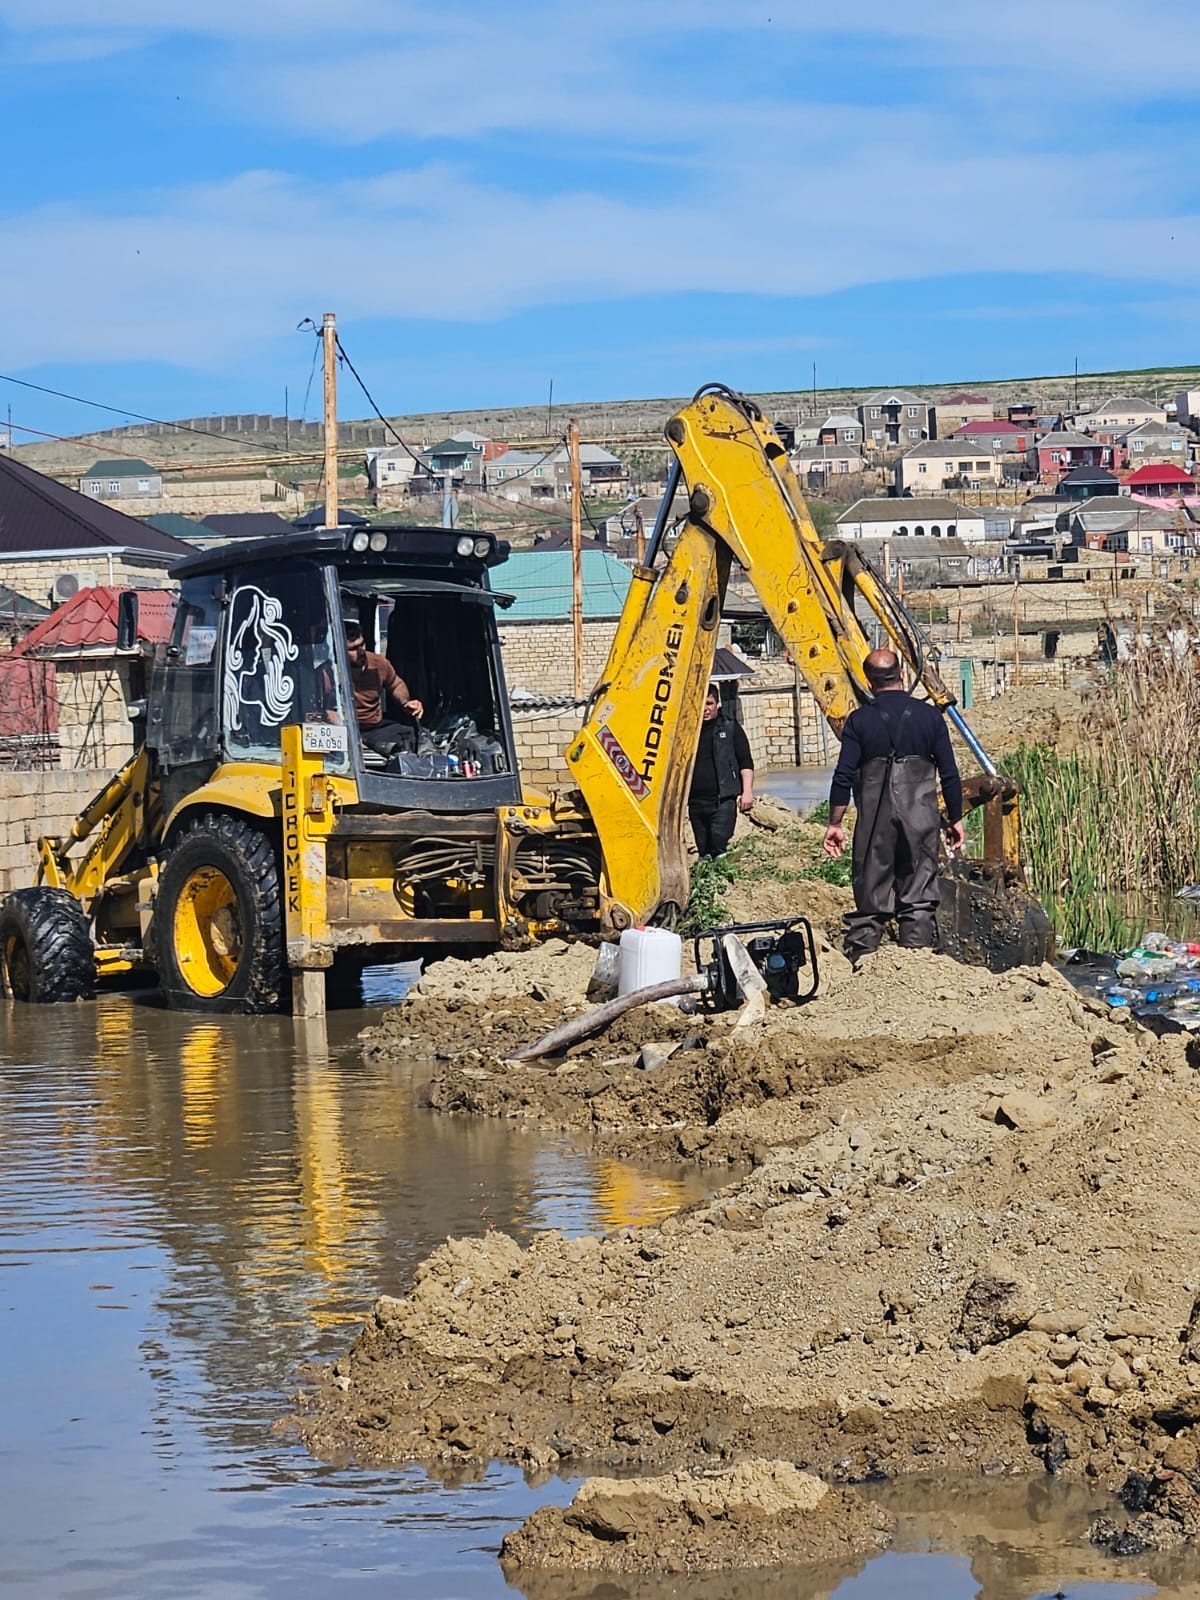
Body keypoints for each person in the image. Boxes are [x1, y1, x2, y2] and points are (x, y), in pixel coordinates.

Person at [822, 648, 965, 961]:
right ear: (902, 675)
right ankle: (915, 967)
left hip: (875, 824)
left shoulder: (859, 721)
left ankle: (863, 969)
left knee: (871, 897)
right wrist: (954, 818)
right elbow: (950, 774)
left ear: (869, 682)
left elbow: (843, 776)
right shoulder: (930, 717)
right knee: (918, 895)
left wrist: (834, 824)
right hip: (921, 820)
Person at [688, 685, 754, 859]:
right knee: (703, 850)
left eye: (709, 703)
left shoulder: (730, 728)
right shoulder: (687, 733)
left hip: (722, 800)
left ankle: (723, 878)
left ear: (717, 704)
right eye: (701, 703)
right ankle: (707, 882)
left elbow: (745, 762)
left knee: (719, 845)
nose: (705, 709)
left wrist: (747, 792)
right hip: (695, 802)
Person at [343, 620, 425, 753]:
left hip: (374, 728)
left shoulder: (379, 663)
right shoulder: (329, 671)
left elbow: (395, 684)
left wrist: (406, 702)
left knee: (410, 734)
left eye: (362, 644)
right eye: (353, 649)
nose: (361, 651)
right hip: (344, 729)